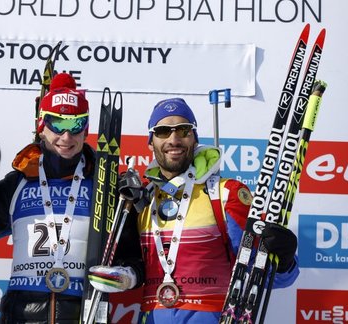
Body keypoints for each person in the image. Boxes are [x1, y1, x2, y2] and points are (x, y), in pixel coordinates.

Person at [88, 98, 299, 323]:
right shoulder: (141, 200)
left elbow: (264, 277)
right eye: (162, 132)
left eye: (183, 130)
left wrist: (284, 260)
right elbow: (133, 265)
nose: (174, 139)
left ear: (195, 137)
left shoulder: (225, 193)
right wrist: (125, 275)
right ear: (150, 142)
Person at [0, 73, 95, 323]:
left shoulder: (103, 185)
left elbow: (128, 255)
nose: (66, 137)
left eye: (76, 125)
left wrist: (126, 274)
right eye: (57, 124)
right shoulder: (17, 183)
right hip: (22, 315)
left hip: (83, 314)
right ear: (41, 126)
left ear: (86, 129)